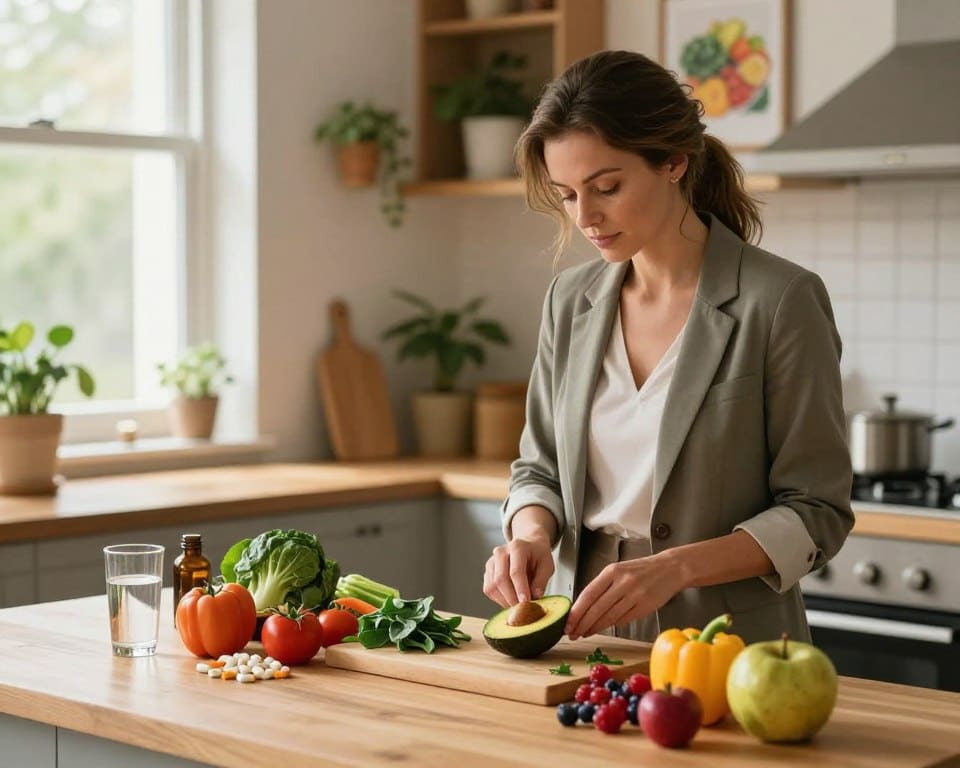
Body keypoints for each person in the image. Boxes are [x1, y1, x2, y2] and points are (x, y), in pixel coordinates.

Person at [482, 50, 853, 645]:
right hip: (586, 631)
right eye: (569, 195)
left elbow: (817, 511)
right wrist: (528, 534)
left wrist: (676, 567)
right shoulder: (569, 300)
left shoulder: (780, 300)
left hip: (728, 643)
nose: (586, 216)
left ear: (674, 162)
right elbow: (539, 467)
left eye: (606, 187)